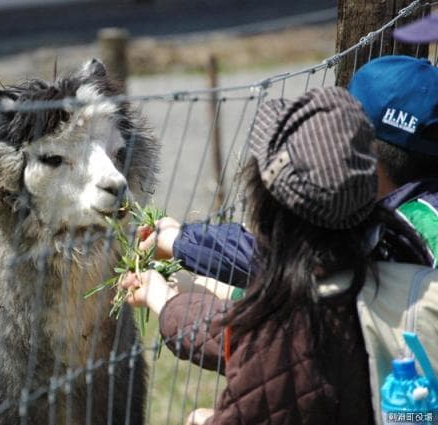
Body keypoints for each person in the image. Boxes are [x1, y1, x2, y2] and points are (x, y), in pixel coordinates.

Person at [122, 86, 418, 425]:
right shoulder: (408, 277)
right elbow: (240, 333)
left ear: (270, 212)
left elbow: (257, 347)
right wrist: (166, 299)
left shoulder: (290, 328)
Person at [142, 55, 438, 288]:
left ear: (365, 151)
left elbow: (289, 263)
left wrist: (179, 242)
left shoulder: (399, 233)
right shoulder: (415, 207)